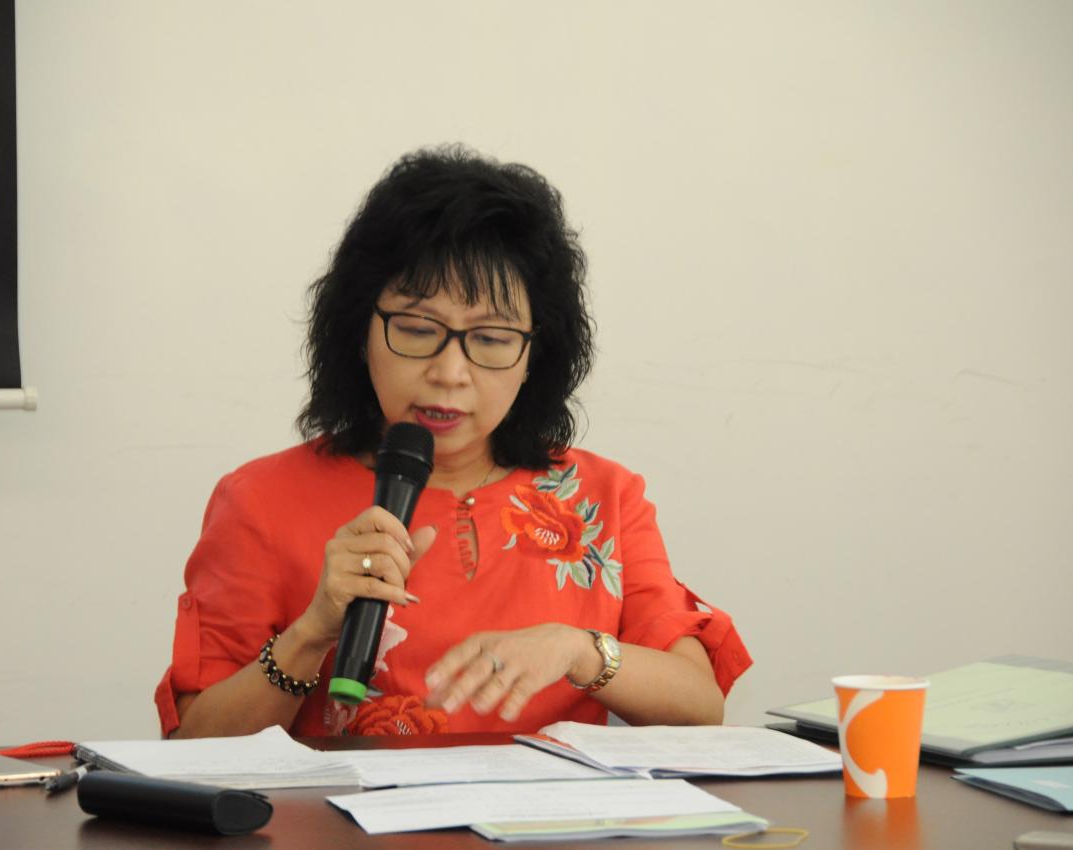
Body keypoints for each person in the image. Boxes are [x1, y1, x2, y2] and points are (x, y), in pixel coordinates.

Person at [156, 146, 751, 739]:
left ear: (535, 356)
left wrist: (579, 650)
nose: (449, 372)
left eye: (490, 339)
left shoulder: (603, 497)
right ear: (360, 331)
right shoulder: (261, 500)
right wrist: (310, 634)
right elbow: (191, 744)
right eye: (418, 329)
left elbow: (700, 704)